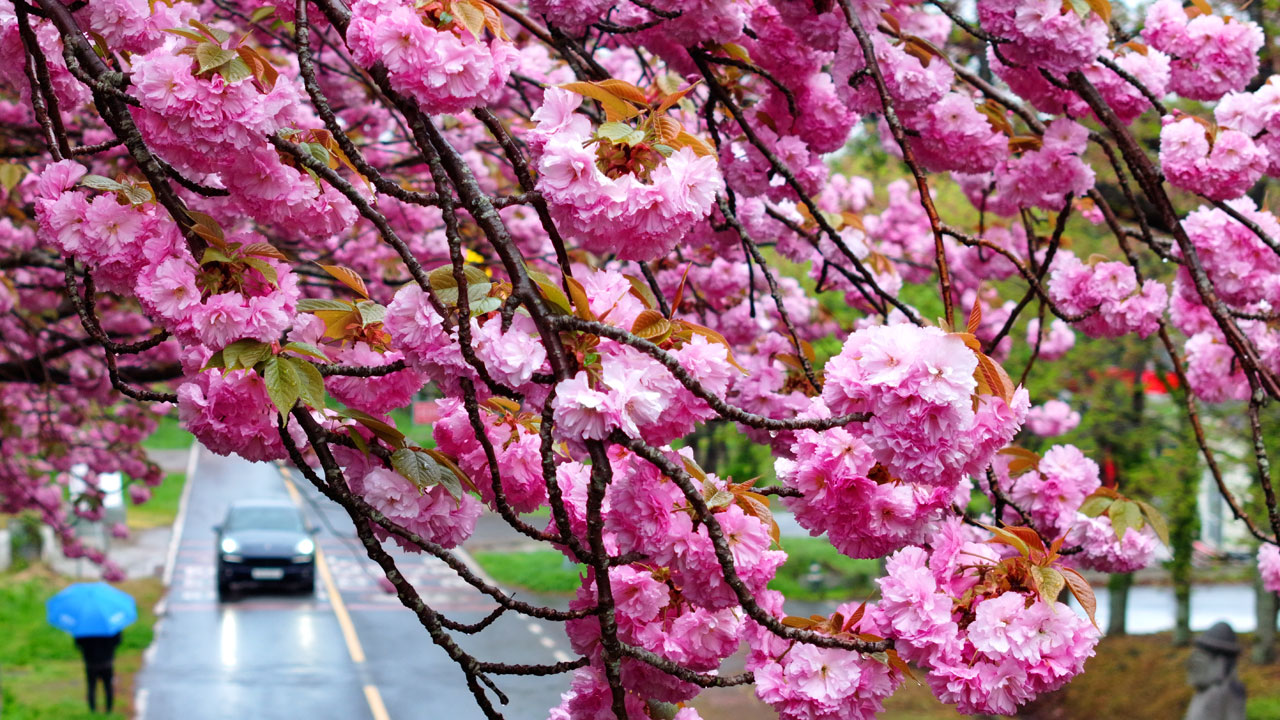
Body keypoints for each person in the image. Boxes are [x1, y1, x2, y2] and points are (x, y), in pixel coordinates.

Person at [74, 632, 122, 713]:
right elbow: (118, 641)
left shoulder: (85, 627)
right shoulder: (109, 625)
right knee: (108, 686)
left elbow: (78, 643)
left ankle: (92, 711)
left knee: (91, 686)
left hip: (90, 662)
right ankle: (109, 710)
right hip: (107, 662)